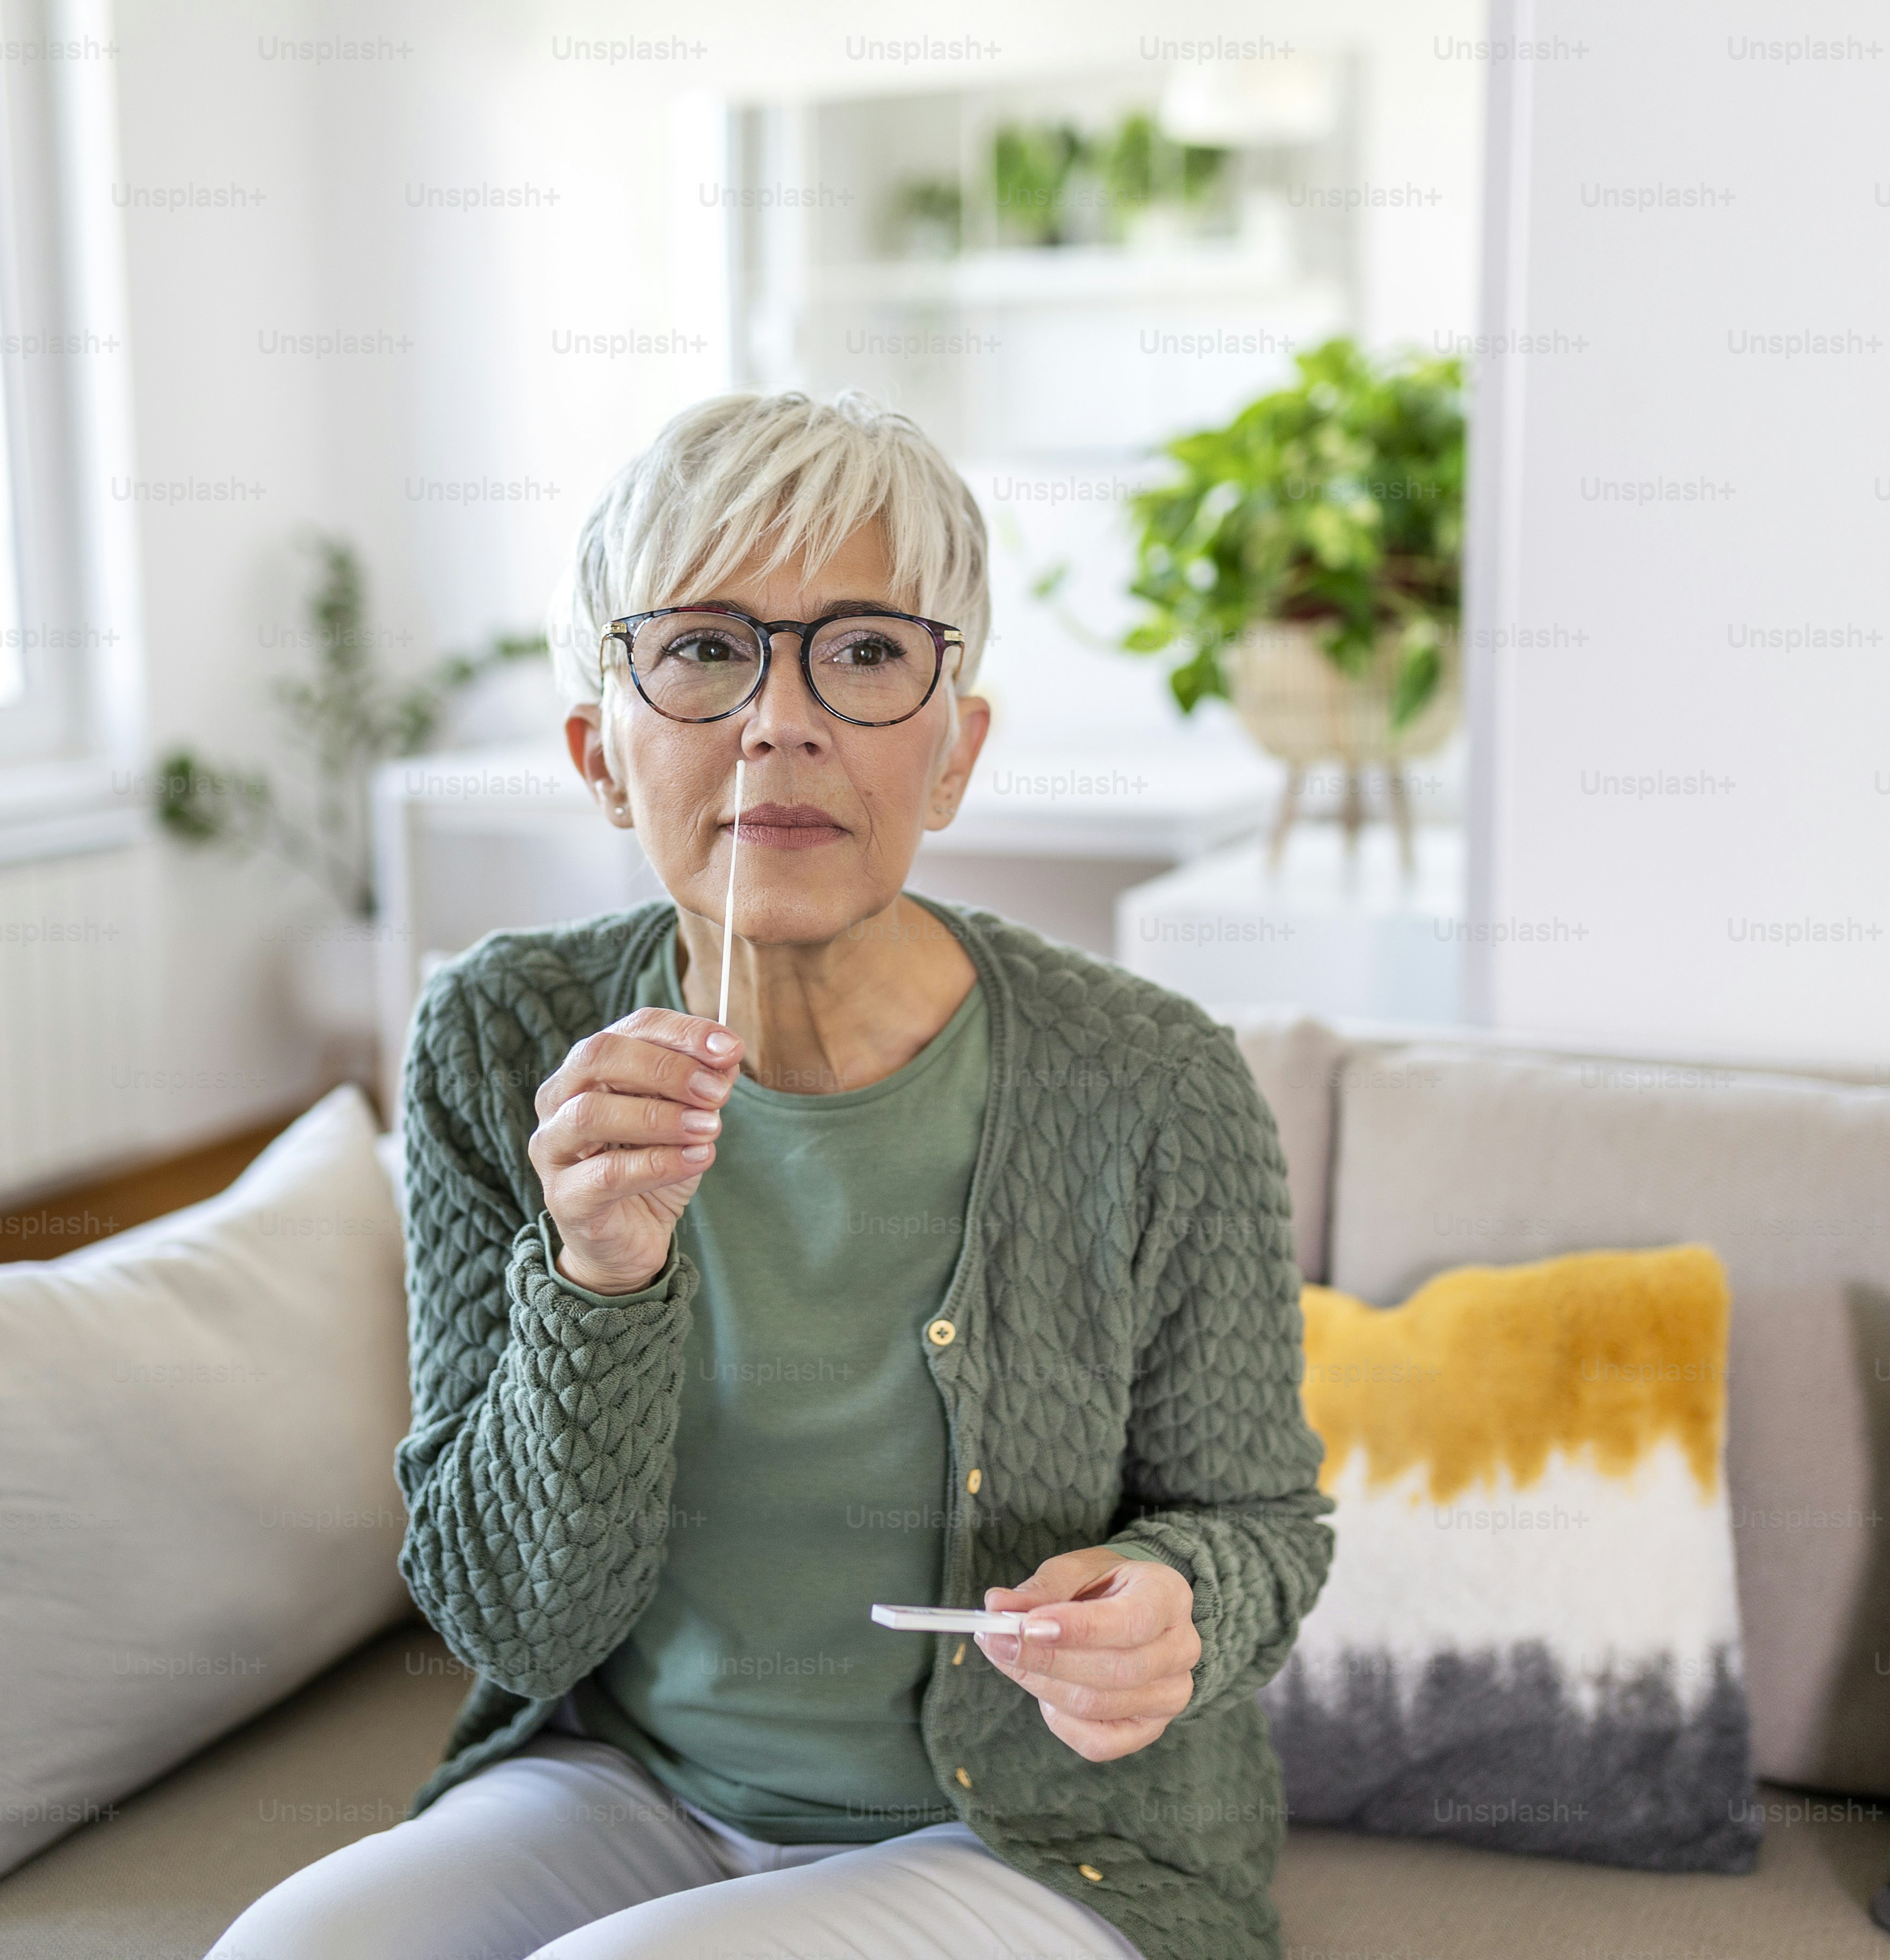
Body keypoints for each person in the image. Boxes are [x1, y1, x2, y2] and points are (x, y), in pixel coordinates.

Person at [211, 390, 1333, 1960]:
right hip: (632, 1789)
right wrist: (598, 1276)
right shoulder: (499, 1034)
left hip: (1036, 1847)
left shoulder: (1156, 1080)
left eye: (867, 650)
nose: (778, 719)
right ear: (605, 758)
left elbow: (1262, 1525)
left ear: (956, 751)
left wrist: (1173, 1605)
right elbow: (512, 1621)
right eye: (703, 648)